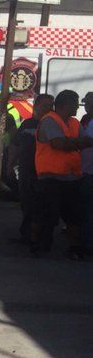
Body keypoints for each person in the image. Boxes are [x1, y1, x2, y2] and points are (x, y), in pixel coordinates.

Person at [33, 90, 93, 260]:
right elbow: (59, 144)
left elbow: (86, 141)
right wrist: (77, 143)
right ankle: (40, 245)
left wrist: (72, 143)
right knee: (47, 215)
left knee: (74, 215)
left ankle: (74, 248)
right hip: (50, 177)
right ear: (65, 104)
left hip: (72, 177)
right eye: (75, 103)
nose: (78, 106)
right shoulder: (50, 121)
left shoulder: (74, 122)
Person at [13, 93, 54, 243]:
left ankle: (40, 238)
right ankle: (26, 235)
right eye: (45, 105)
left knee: (41, 205)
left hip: (44, 172)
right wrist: (10, 164)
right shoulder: (27, 124)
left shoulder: (52, 125)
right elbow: (15, 144)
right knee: (26, 202)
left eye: (51, 106)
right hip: (26, 170)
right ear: (36, 106)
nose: (49, 109)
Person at [82, 92, 93, 252]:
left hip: (89, 171)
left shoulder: (90, 122)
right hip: (85, 169)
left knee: (88, 209)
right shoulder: (86, 120)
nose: (86, 106)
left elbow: (88, 141)